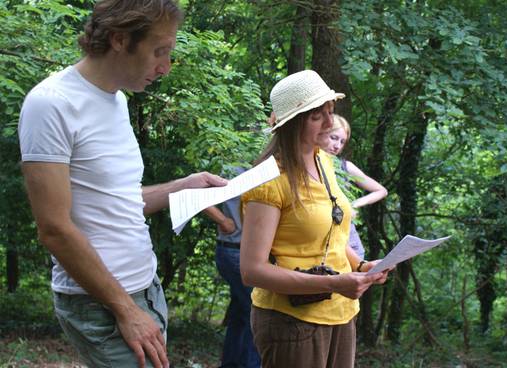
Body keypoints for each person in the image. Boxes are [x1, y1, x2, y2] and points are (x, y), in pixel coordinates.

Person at [18, 1, 227, 367]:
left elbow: (118, 201)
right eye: (159, 52)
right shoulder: (52, 104)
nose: (166, 67)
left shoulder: (115, 101)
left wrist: (184, 186)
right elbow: (54, 229)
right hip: (105, 305)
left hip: (144, 290)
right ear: (119, 39)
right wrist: (125, 310)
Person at [239, 70, 390, 368]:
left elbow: (332, 235)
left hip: (341, 313)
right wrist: (337, 284)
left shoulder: (324, 161)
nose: (330, 122)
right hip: (292, 321)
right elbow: (252, 271)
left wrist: (360, 266)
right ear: (293, 123)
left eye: (330, 111)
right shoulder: (269, 181)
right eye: (316, 115)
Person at [203, 167, 261, 368]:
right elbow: (196, 193)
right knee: (257, 314)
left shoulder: (269, 166)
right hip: (235, 251)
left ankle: (231, 364)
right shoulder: (234, 164)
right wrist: (222, 220)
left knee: (240, 313)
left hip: (241, 252)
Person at [319, 114, 388, 259]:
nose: (337, 145)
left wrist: (353, 205)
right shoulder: (304, 166)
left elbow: (381, 190)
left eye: (342, 141)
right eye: (334, 138)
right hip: (321, 241)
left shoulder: (345, 167)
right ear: (320, 133)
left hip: (349, 241)